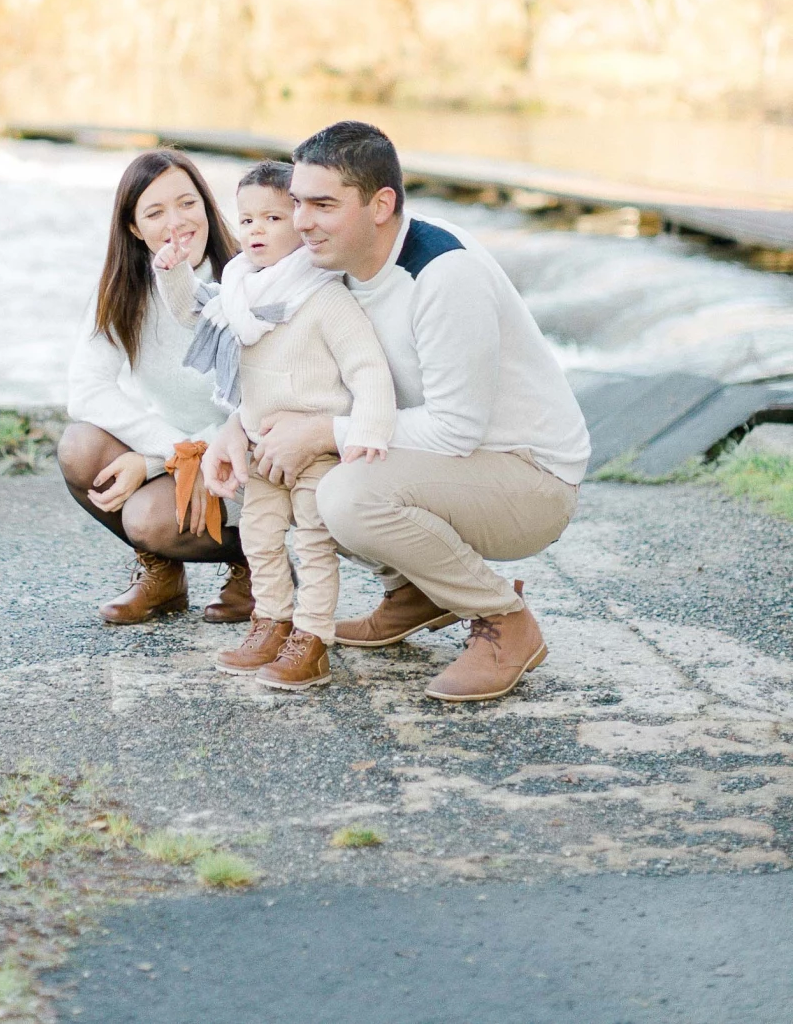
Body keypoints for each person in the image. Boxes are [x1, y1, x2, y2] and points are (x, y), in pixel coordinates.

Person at [251, 120, 591, 704]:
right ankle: (415, 592)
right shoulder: (329, 265)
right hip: (451, 468)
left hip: (528, 477)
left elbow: (455, 430)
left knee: (346, 493)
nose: (302, 221)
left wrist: (322, 432)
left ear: (381, 204)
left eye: (324, 205)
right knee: (291, 468)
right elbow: (282, 362)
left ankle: (507, 622)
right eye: (298, 203)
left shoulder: (443, 275)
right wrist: (240, 431)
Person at [153, 160, 396, 692]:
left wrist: (368, 435)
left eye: (272, 218)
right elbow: (194, 313)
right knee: (260, 538)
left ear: (302, 222)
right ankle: (272, 622)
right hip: (264, 444)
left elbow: (368, 369)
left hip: (318, 447)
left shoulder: (324, 296)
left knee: (312, 540)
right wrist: (173, 271)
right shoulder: (241, 291)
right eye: (246, 220)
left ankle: (312, 640)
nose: (256, 230)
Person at [60, 148, 255, 625]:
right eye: (155, 212)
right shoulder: (125, 289)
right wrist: (170, 453)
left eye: (187, 204)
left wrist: (152, 460)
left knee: (147, 518)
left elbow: (262, 409)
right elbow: (86, 390)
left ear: (207, 206)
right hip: (181, 452)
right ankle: (162, 578)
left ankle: (256, 567)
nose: (176, 222)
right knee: (80, 446)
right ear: (133, 227)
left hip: (242, 461)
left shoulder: (247, 280)